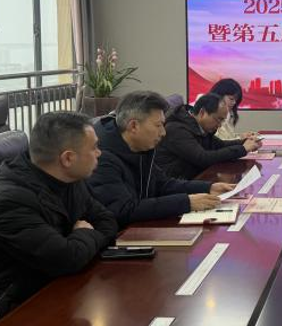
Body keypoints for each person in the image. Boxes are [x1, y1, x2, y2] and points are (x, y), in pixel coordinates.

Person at [0, 112, 118, 324]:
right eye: (94, 147)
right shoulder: (9, 201)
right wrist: (84, 232)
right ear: (68, 158)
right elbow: (66, 259)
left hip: (50, 292)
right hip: (0, 315)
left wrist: (78, 242)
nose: (99, 153)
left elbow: (107, 221)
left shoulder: (69, 178)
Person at [88, 91, 235, 228]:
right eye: (158, 125)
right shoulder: (101, 157)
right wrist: (186, 202)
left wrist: (208, 188)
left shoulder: (142, 146)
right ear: (133, 126)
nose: (163, 132)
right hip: (117, 238)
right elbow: (123, 210)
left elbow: (162, 184)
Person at [157, 93, 261, 180]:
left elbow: (220, 145)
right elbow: (203, 158)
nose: (219, 125)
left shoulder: (199, 125)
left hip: (194, 179)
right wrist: (243, 149)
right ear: (202, 112)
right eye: (218, 119)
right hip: (176, 185)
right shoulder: (177, 129)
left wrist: (245, 142)